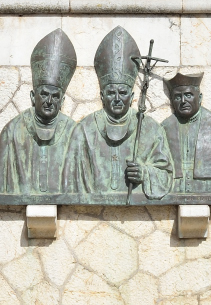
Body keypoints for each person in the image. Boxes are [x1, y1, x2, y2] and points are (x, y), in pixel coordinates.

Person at [63, 26, 172, 200]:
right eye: (111, 92)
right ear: (102, 96)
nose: (117, 98)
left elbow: (166, 173)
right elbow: (69, 181)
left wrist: (144, 172)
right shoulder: (83, 130)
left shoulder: (151, 129)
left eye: (122, 92)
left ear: (132, 97)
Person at [0, 29, 78, 202]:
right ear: (33, 97)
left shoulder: (75, 132)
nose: (49, 101)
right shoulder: (13, 130)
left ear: (62, 101)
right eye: (44, 94)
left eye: (55, 96)